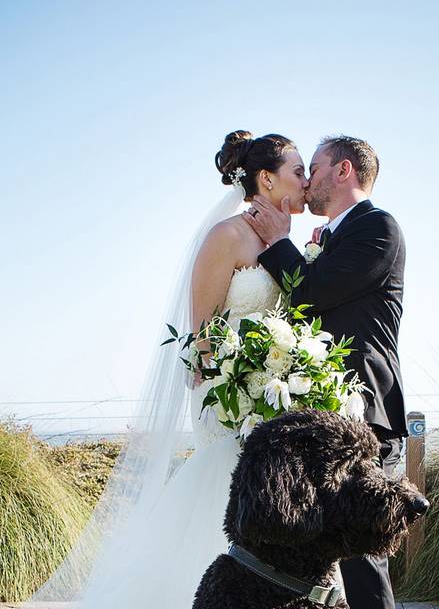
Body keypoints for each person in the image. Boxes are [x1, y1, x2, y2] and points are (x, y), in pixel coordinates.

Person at [29, 130, 306, 607]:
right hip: (229, 396)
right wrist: (236, 380)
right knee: (225, 497)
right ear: (266, 179)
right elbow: (201, 336)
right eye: (298, 172)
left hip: (272, 397)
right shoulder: (228, 236)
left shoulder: (286, 241)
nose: (306, 180)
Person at [244, 134, 408, 609]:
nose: (307, 179)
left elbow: (312, 296)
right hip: (322, 413)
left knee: (361, 550)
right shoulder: (334, 237)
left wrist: (279, 242)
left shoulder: (378, 228)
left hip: (363, 411)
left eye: (313, 168)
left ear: (343, 171)